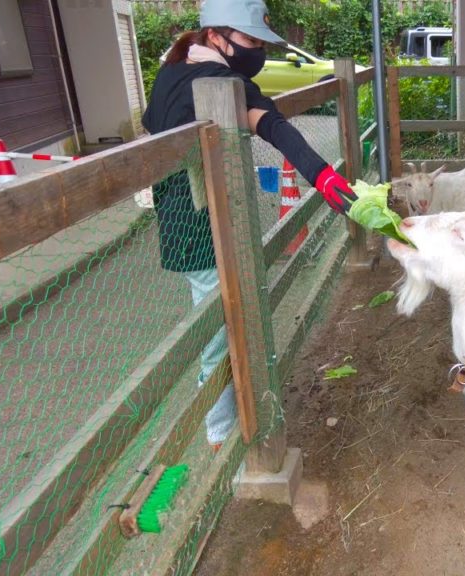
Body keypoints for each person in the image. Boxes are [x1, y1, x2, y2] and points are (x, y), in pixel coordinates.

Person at [141, 0, 357, 449]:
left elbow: (152, 123)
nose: (257, 50)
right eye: (250, 40)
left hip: (187, 213)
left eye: (260, 42)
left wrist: (319, 174)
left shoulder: (174, 70)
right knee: (219, 332)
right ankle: (221, 437)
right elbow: (272, 125)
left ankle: (236, 417)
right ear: (216, 36)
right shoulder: (219, 81)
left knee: (227, 318)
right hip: (200, 220)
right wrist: (321, 174)